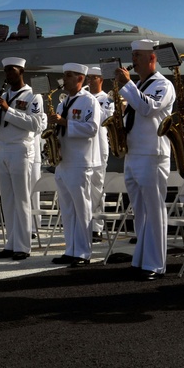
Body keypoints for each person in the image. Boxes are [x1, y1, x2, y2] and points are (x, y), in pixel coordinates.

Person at [115, 40, 175, 280]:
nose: (134, 59)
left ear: (152, 58)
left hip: (152, 153)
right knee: (140, 211)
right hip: (134, 152)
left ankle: (156, 264)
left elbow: (148, 108)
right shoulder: (139, 84)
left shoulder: (163, 84)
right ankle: (141, 258)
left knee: (154, 210)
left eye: (138, 55)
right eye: (133, 55)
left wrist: (127, 85)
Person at [0, 57, 46, 260]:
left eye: (11, 70)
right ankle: (11, 243)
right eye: (6, 71)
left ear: (21, 71)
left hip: (21, 149)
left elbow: (36, 125)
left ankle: (23, 245)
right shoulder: (2, 95)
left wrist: (7, 109)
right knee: (8, 200)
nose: (8, 74)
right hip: (2, 148)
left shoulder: (33, 96)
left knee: (21, 199)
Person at [49, 63, 102, 266]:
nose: (65, 79)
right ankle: (70, 249)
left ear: (80, 79)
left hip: (80, 161)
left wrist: (64, 123)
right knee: (68, 209)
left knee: (82, 208)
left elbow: (92, 128)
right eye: (64, 75)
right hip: (64, 161)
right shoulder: (64, 103)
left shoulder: (89, 101)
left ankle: (83, 252)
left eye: (69, 75)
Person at [85, 66, 113, 242]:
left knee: (97, 188)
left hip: (100, 148)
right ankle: (85, 224)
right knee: (85, 190)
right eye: (88, 78)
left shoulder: (107, 99)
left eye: (93, 78)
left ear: (101, 79)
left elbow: (105, 119)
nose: (89, 81)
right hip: (85, 149)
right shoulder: (83, 99)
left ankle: (97, 227)